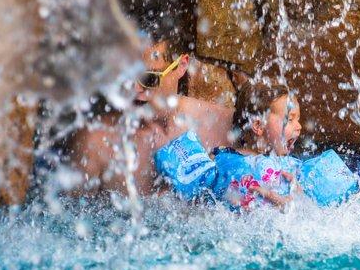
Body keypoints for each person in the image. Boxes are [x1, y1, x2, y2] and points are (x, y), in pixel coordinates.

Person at [68, 40, 233, 196]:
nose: (134, 88)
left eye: (148, 78)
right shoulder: (96, 143)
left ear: (181, 66)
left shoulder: (222, 126)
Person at [212, 81, 303, 210]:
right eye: (289, 119)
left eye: (298, 119)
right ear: (258, 126)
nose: (299, 126)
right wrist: (287, 204)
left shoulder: (281, 165)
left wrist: (298, 193)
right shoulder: (236, 167)